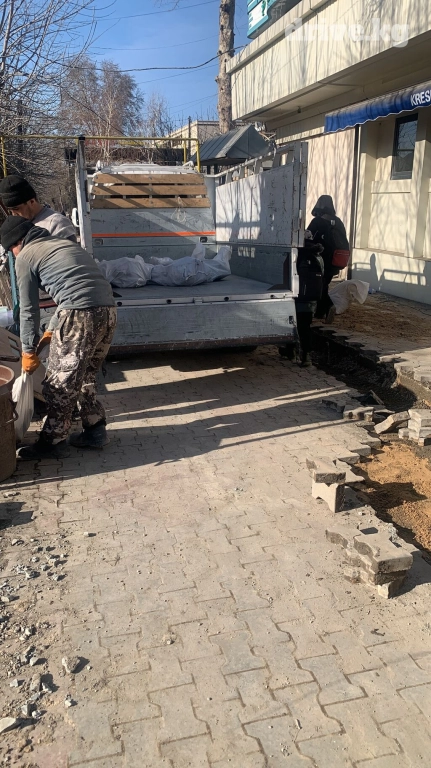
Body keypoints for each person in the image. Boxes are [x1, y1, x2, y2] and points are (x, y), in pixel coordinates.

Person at [0, 216, 117, 460]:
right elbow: (75, 290)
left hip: (79, 313)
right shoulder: (63, 244)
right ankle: (95, 430)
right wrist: (52, 329)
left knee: (59, 382)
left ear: (17, 243)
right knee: (85, 374)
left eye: (10, 249)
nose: (12, 254)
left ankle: (52, 442)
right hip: (108, 311)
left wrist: (28, 350)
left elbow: (28, 310)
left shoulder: (26, 256)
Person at [307, 195, 349, 323]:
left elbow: (308, 237)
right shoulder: (338, 221)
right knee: (324, 284)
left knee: (319, 286)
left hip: (321, 260)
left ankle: (329, 306)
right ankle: (320, 312)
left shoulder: (318, 221)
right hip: (336, 260)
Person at [0, 174, 77, 241]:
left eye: (16, 209)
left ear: (31, 202)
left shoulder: (57, 223)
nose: (14, 214)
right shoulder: (17, 227)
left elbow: (71, 252)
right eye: (10, 210)